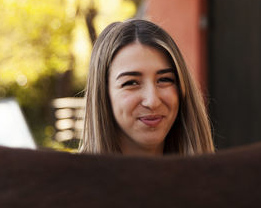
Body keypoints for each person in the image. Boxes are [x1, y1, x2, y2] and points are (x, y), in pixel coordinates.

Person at [79, 19, 214, 156]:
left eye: (164, 79)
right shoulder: (70, 177)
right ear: (103, 93)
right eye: (131, 83)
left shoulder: (211, 176)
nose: (152, 101)